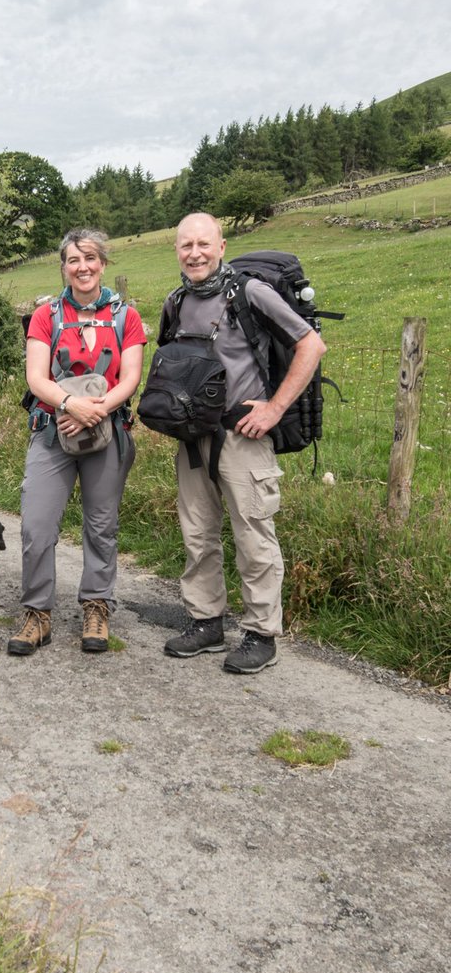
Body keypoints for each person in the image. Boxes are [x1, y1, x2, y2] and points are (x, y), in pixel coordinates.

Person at [161, 212, 326, 674]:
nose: (194, 253)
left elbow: (311, 345)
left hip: (243, 435)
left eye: (203, 244)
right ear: (176, 250)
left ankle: (261, 633)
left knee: (253, 536)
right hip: (193, 438)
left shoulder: (250, 292)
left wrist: (273, 408)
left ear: (221, 245)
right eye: (185, 245)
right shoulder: (175, 301)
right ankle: (206, 622)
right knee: (197, 535)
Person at [8, 228, 146, 656]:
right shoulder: (46, 315)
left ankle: (97, 606)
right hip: (53, 432)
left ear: (103, 263)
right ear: (64, 267)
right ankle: (37, 613)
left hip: (107, 433)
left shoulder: (127, 316)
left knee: (101, 526)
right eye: (73, 260)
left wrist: (96, 410)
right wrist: (69, 405)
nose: (82, 267)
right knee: (36, 525)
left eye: (90, 258)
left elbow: (131, 379)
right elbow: (35, 377)